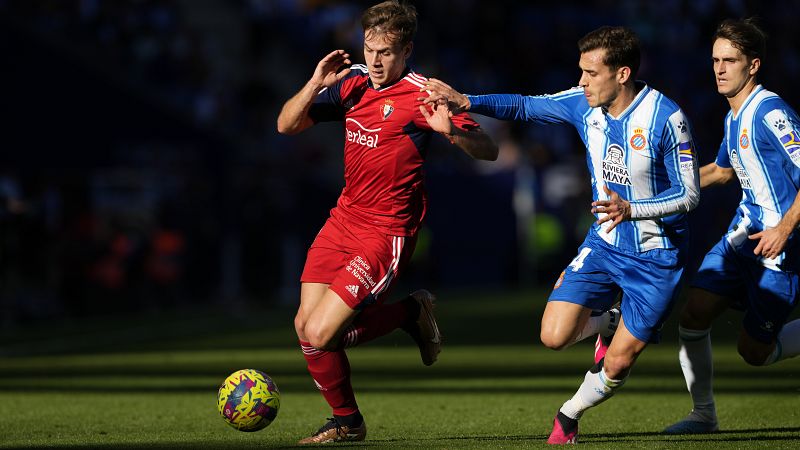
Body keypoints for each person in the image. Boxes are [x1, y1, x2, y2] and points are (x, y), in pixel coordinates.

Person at [421, 26, 700, 444]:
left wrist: (633, 209)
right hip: (605, 245)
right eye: (581, 72)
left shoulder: (666, 117)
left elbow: (690, 193)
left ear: (622, 74)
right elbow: (525, 106)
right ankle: (609, 319)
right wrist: (467, 101)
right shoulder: (581, 104)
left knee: (620, 363)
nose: (582, 82)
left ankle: (569, 416)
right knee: (553, 336)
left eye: (591, 73)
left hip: (657, 257)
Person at [276, 0, 498, 444]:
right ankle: (348, 422)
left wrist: (450, 131)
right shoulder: (353, 83)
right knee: (305, 327)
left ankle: (405, 314)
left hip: (386, 230)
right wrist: (316, 82)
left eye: (387, 52)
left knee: (321, 333)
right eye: (369, 48)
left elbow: (488, 149)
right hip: (343, 219)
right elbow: (286, 125)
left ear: (407, 50)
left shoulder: (422, 95)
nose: (375, 61)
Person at [663, 18, 800, 435]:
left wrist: (784, 228)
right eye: (715, 60)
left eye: (730, 61)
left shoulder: (771, 112)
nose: (719, 69)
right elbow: (722, 172)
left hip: (780, 247)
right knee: (693, 312)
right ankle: (703, 415)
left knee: (753, 352)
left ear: (753, 65)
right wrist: (652, 192)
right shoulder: (734, 115)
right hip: (742, 238)